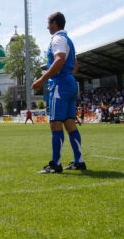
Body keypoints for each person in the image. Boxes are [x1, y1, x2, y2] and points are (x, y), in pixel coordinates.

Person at [32, 12, 86, 174]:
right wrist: (67, 76)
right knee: (69, 124)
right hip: (69, 83)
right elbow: (74, 63)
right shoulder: (68, 40)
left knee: (55, 124)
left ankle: (55, 164)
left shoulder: (57, 39)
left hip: (60, 85)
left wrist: (43, 79)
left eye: (48, 23)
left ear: (55, 23)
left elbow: (60, 59)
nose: (47, 26)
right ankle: (79, 161)